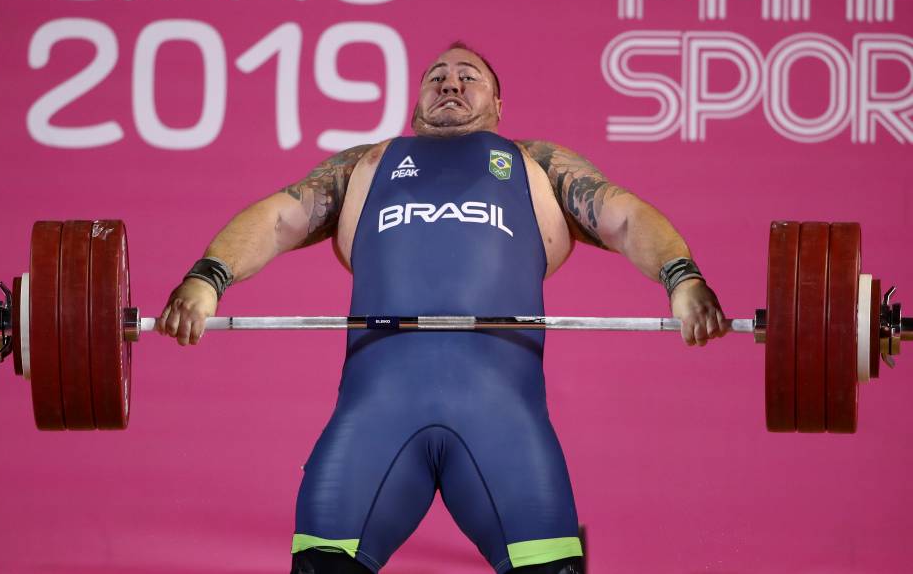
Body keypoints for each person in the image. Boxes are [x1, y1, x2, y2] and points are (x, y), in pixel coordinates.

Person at [156, 42, 726, 574]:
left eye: (468, 77)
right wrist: (208, 278)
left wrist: (682, 279)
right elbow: (277, 219)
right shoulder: (369, 165)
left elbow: (626, 219)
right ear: (416, 102)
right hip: (372, 423)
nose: (450, 84)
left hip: (506, 428)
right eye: (437, 77)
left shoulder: (537, 165)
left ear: (498, 105)